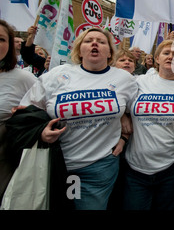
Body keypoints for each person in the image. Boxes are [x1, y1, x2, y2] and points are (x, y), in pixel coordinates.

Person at [19, 27, 137, 210]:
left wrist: (124, 128)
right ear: (79, 50)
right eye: (88, 41)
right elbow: (26, 110)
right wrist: (41, 131)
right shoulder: (57, 75)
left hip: (99, 165)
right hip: (56, 162)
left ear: (110, 52)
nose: (95, 43)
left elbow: (138, 113)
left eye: (102, 41)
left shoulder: (125, 79)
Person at [123, 39, 174, 210]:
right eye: (166, 53)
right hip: (136, 169)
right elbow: (118, 104)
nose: (170, 57)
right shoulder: (138, 82)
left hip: (172, 167)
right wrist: (123, 117)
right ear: (157, 58)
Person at [0, 20, 37, 203]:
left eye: (1, 39)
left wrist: (26, 114)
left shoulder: (24, 78)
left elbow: (42, 109)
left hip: (4, 155)